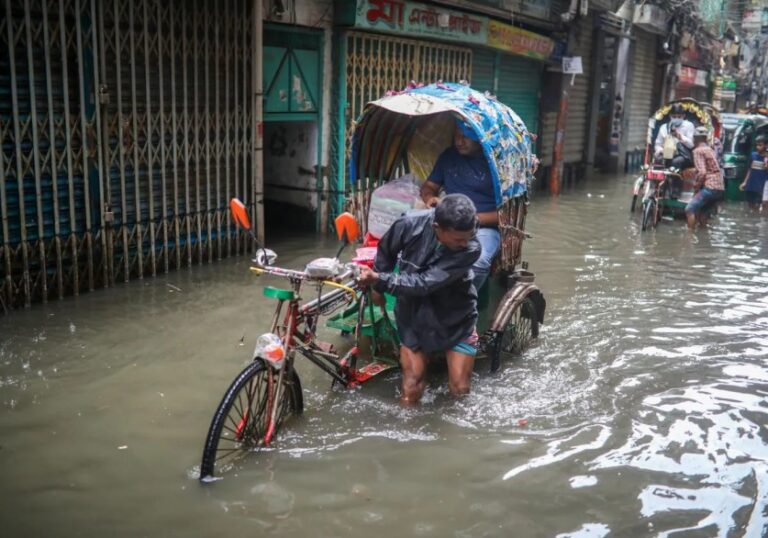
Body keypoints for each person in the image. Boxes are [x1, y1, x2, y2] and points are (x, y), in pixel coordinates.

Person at [356, 194, 481, 405]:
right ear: (437, 227)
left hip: (456, 316)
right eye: (458, 239)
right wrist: (377, 285)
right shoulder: (408, 223)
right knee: (411, 388)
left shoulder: (471, 248)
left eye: (468, 236)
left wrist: (379, 279)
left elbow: (424, 283)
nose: (465, 242)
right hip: (413, 315)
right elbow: (386, 251)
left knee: (460, 389)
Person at [419, 119, 498, 292]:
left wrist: (471, 219)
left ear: (479, 137)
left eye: (465, 137)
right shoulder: (449, 156)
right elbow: (429, 187)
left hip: (485, 228)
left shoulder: (495, 163)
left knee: (480, 261)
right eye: (456, 136)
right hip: (449, 223)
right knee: (417, 252)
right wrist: (430, 198)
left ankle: (462, 306)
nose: (459, 142)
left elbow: (506, 215)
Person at [686, 126, 725, 230]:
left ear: (695, 138)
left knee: (689, 209)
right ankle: (703, 237)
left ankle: (688, 237)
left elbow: (702, 172)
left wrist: (696, 187)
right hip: (719, 187)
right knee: (703, 213)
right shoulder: (709, 149)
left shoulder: (698, 151)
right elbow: (711, 168)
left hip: (709, 187)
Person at [654, 104, 695, 171]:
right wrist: (661, 150)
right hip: (667, 154)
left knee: (675, 162)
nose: (676, 119)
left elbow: (691, 145)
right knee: (658, 160)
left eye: (679, 117)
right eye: (674, 116)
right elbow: (658, 144)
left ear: (683, 116)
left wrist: (679, 136)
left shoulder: (689, 126)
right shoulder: (664, 127)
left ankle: (675, 181)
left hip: (683, 155)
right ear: (670, 116)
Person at [739, 135, 768, 211]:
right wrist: (745, 182)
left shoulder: (767, 158)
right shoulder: (753, 155)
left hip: (762, 185)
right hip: (751, 184)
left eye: (760, 145)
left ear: (766, 145)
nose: (758, 147)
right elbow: (750, 169)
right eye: (757, 145)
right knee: (750, 205)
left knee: (760, 205)